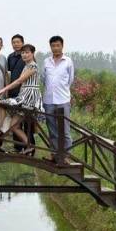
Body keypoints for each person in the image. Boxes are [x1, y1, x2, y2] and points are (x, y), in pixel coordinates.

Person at [0, 44, 43, 155]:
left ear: (32, 53)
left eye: (27, 52)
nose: (24, 55)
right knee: (14, 126)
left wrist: (2, 90)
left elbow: (19, 81)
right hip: (23, 94)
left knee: (2, 103)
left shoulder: (33, 66)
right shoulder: (26, 66)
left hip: (29, 96)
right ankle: (29, 146)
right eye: (23, 53)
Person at [42, 35, 74, 163]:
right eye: (53, 46)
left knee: (65, 130)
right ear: (50, 47)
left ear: (62, 46)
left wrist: (63, 90)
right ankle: (54, 155)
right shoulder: (46, 61)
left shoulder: (68, 61)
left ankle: (66, 156)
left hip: (63, 100)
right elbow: (44, 79)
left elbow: (70, 79)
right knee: (52, 129)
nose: (55, 48)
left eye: (58, 45)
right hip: (49, 100)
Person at [7, 34, 30, 151]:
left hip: (25, 93)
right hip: (13, 92)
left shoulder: (27, 56)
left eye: (18, 42)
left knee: (27, 121)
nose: (16, 44)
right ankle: (17, 146)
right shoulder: (10, 57)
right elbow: (9, 74)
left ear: (22, 43)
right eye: (14, 42)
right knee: (15, 120)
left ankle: (29, 146)